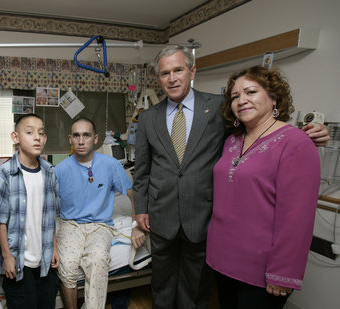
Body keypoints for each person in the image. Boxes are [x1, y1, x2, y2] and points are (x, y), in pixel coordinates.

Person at [133, 45, 329, 309]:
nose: (172, 78)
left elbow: (262, 127)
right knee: (162, 287)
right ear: (159, 78)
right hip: (162, 215)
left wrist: (305, 133)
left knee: (197, 290)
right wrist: (140, 210)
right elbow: (142, 169)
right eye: (165, 73)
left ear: (192, 71)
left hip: (202, 217)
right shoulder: (147, 119)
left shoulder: (218, 107)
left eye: (178, 70)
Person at [206, 66, 320, 309]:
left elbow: (297, 218)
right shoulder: (231, 140)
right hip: (222, 258)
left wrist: (284, 272)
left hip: (260, 269)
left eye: (250, 92)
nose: (242, 100)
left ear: (274, 97)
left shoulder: (296, 143)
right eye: (235, 96)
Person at [55, 117, 145, 309]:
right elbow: (48, 205)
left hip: (100, 225)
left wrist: (136, 225)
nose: (81, 141)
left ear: (95, 138)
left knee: (98, 261)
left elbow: (132, 194)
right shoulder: (60, 170)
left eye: (86, 135)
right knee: (69, 265)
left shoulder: (110, 165)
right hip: (71, 224)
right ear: (70, 138)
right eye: (76, 136)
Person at [0, 114, 60, 309]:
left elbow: (51, 214)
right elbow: (0, 221)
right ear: (16, 137)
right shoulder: (4, 175)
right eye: (29, 132)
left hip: (45, 256)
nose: (37, 137)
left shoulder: (49, 172)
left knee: (47, 303)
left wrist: (54, 247)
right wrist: (7, 257)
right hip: (18, 259)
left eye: (41, 133)